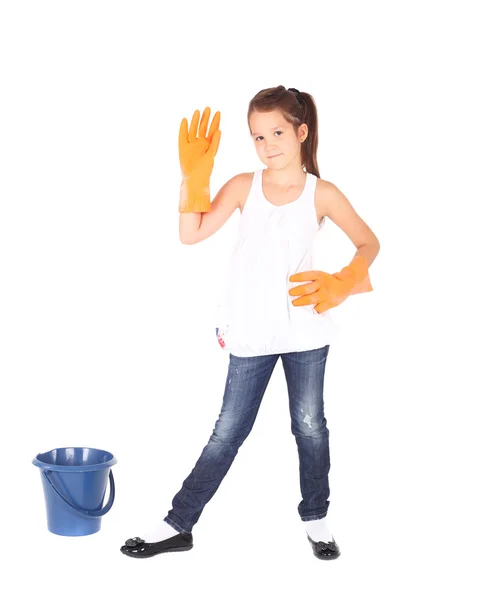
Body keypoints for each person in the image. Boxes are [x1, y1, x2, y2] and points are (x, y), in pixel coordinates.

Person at [120, 85, 380, 560]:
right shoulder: (244, 186)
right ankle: (178, 524)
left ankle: (316, 518)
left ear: (301, 132)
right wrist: (192, 181)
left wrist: (344, 280)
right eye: (257, 136)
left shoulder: (322, 193)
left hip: (305, 329)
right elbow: (191, 234)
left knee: (310, 425)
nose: (267, 144)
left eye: (277, 132)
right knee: (228, 430)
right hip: (251, 331)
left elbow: (369, 242)